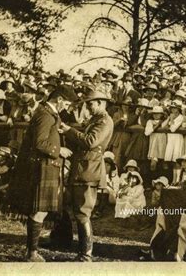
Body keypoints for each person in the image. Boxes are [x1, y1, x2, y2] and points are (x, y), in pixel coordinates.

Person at [6, 86, 78, 262]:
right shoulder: (45, 115)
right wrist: (59, 150)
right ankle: (32, 253)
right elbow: (39, 143)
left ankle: (31, 251)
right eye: (66, 102)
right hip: (44, 167)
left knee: (40, 212)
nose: (66, 107)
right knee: (39, 212)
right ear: (59, 99)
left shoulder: (49, 114)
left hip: (48, 166)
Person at [60, 90, 114, 262]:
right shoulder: (96, 119)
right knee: (78, 211)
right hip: (83, 168)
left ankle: (86, 254)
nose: (88, 106)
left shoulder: (105, 121)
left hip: (89, 169)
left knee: (83, 212)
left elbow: (90, 141)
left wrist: (68, 130)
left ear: (100, 103)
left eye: (90, 103)